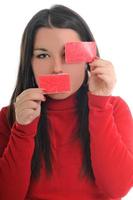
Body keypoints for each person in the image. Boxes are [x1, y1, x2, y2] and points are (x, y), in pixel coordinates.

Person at [0, 4, 133, 200]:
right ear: (30, 62)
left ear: (89, 59)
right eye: (43, 55)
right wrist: (22, 129)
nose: (57, 68)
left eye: (68, 55)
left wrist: (99, 104)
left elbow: (118, 188)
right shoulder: (10, 117)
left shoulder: (113, 109)